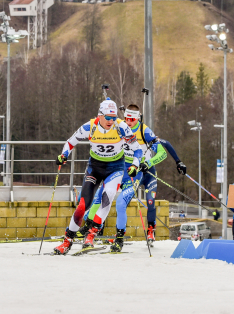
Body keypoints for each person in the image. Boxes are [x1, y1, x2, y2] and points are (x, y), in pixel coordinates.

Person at [80, 104, 186, 252]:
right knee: (100, 197)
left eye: (132, 119)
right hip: (118, 169)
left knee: (121, 204)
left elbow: (162, 151)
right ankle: (87, 229)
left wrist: (148, 163)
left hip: (135, 173)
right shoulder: (118, 126)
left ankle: (120, 239)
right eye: (127, 118)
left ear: (138, 118)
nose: (129, 122)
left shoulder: (144, 131)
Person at [54, 99, 142, 255]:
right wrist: (63, 155)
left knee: (107, 196)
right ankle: (67, 241)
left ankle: (91, 235)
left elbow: (138, 150)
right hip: (95, 168)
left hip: (114, 169)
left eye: (114, 117)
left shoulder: (121, 127)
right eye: (108, 117)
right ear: (100, 115)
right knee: (82, 205)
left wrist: (135, 165)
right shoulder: (90, 126)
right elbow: (70, 142)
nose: (111, 121)